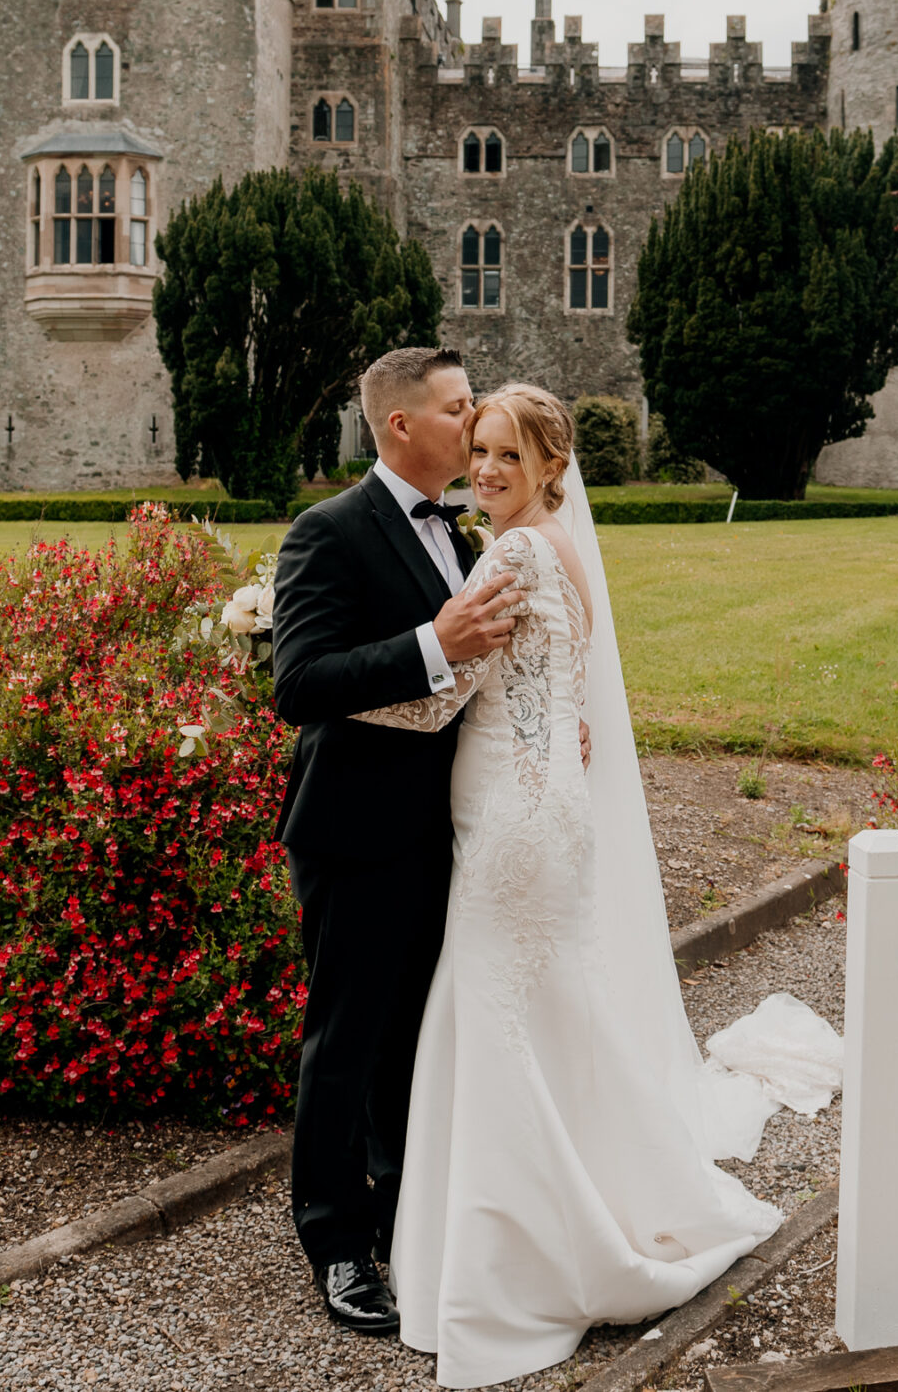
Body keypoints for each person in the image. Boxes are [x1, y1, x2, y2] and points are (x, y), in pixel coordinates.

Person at [353, 383, 782, 1389]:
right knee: (540, 1014)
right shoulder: (564, 550)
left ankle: (521, 1264)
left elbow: (440, 699)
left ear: (551, 465)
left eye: (509, 455)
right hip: (549, 816)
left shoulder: (510, 553)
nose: (488, 470)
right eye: (482, 452)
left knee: (494, 1015)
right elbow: (558, 697)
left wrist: (322, 696)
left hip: (510, 823)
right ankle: (580, 1207)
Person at [268, 346, 526, 1335]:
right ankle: (336, 1245)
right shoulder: (326, 532)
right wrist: (435, 644)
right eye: (461, 409)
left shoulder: (463, 531)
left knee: (414, 1038)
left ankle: (402, 1214)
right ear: (400, 427)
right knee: (345, 1042)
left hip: (446, 828)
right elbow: (300, 684)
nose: (477, 424)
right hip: (353, 829)